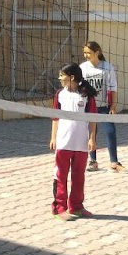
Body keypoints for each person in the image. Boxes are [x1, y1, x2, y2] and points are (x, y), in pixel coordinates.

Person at [50, 62, 97, 221]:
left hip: (81, 143)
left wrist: (92, 138)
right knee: (60, 175)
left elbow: (92, 119)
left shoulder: (86, 95)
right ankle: (59, 208)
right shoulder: (59, 94)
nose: (59, 78)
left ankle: (76, 207)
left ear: (71, 77)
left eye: (62, 75)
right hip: (63, 142)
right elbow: (55, 117)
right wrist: (53, 137)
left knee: (79, 176)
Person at [80, 41, 124, 172]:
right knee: (90, 133)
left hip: (104, 106)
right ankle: (92, 161)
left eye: (88, 52)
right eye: (84, 52)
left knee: (111, 131)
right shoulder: (83, 67)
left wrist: (113, 105)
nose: (86, 55)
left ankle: (114, 161)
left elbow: (113, 87)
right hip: (88, 106)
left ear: (97, 53)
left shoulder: (107, 67)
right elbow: (80, 88)